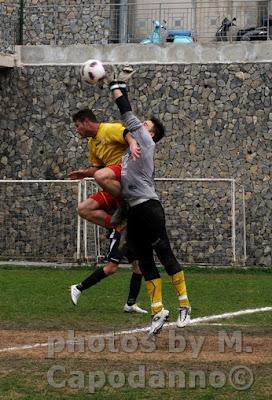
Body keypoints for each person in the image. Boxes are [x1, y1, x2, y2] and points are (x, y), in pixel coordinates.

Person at [107, 65, 191, 335]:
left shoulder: (147, 142)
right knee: (144, 261)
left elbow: (127, 114)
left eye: (147, 125)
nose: (142, 125)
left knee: (165, 255)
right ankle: (158, 311)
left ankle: (184, 305)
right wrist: (121, 83)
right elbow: (127, 125)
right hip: (135, 211)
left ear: (151, 134)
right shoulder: (135, 143)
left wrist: (115, 86)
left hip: (149, 209)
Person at [69, 108, 147, 314]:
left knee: (128, 266)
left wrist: (131, 143)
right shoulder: (92, 143)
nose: (76, 130)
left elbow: (126, 132)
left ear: (86, 122)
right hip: (113, 187)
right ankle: (118, 223)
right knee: (83, 209)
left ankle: (128, 303)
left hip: (125, 177)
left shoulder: (108, 129)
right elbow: (97, 170)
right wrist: (84, 173)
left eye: (77, 125)